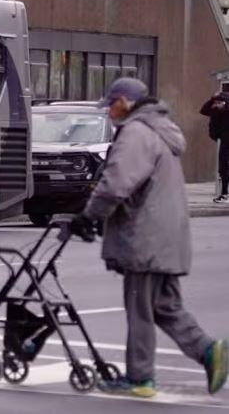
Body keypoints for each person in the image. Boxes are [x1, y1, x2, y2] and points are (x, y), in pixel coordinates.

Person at [70, 77, 228, 398]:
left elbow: (116, 183)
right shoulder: (159, 130)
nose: (110, 111)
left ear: (125, 102)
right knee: (164, 306)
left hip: (145, 236)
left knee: (140, 307)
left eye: (112, 104)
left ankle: (140, 378)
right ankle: (211, 352)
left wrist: (89, 215)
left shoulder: (136, 132)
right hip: (165, 235)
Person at [199, 91, 229, 203]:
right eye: (215, 103)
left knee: (225, 166)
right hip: (223, 141)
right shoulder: (214, 110)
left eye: (218, 103)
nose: (216, 105)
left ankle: (225, 193)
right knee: (223, 168)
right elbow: (203, 110)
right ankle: (224, 193)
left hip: (226, 140)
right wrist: (212, 99)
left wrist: (224, 102)